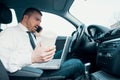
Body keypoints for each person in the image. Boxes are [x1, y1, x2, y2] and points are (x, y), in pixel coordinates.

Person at [0, 8, 85, 80]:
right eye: (36, 19)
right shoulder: (9, 33)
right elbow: (4, 64)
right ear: (25, 18)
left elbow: (38, 48)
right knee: (77, 64)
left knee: (68, 52)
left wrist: (40, 36)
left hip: (38, 64)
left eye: (40, 21)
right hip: (33, 74)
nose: (38, 24)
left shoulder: (31, 32)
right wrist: (32, 58)